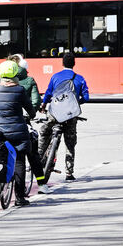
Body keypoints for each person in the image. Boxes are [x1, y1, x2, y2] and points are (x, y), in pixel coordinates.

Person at [0, 59, 37, 206]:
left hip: (0, 131)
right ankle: (19, 198)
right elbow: (30, 109)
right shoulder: (20, 90)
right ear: (15, 73)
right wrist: (32, 114)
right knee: (19, 161)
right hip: (18, 133)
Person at [39, 51, 90, 181]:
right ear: (74, 63)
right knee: (70, 143)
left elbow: (48, 94)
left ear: (62, 63)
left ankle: (38, 159)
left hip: (55, 113)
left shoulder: (55, 77)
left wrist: (43, 105)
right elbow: (86, 97)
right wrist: (75, 103)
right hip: (70, 115)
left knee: (44, 132)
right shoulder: (80, 78)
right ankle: (69, 172)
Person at [7, 53, 46, 186]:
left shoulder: (1, 81)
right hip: (22, 122)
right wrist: (31, 114)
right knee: (32, 152)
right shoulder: (29, 81)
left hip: (2, 124)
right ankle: (42, 184)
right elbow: (35, 102)